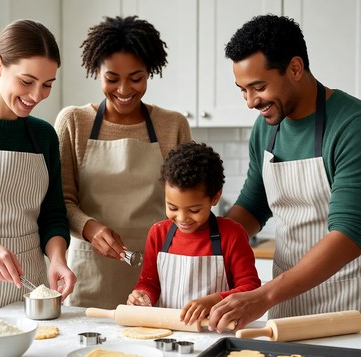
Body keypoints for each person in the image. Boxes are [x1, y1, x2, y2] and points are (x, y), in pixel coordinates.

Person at [207, 14, 361, 333]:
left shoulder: (351, 125)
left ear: (294, 68)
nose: (250, 102)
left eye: (258, 87)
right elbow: (253, 205)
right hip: (285, 306)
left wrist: (262, 295)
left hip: (346, 306)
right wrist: (204, 245)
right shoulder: (266, 129)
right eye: (242, 90)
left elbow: (349, 233)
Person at [55, 16, 192, 309]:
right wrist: (91, 228)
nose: (124, 90)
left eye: (136, 78)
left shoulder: (172, 125)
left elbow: (190, 200)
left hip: (157, 274)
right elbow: (60, 201)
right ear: (96, 71)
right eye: (112, 78)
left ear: (150, 73)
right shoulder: (74, 122)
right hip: (90, 275)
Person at [0, 19, 76, 317]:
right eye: (27, 81)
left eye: (47, 84)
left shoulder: (43, 136)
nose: (37, 95)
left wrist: (58, 259)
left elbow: (52, 215)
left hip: (32, 292)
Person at [127, 142, 261, 326]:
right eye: (172, 207)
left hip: (217, 333)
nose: (182, 218)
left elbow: (251, 289)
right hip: (169, 332)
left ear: (215, 197)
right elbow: (150, 283)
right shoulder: (159, 233)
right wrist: (142, 296)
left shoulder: (232, 234)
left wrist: (214, 300)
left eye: (194, 210)